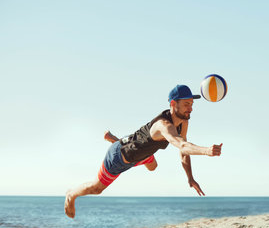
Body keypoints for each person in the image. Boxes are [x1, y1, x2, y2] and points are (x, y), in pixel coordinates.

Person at [65, 85, 223, 218]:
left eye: (192, 104)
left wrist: (190, 178)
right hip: (119, 158)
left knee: (153, 166)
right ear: (174, 104)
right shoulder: (163, 125)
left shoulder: (183, 121)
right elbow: (182, 146)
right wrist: (207, 151)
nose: (191, 108)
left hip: (142, 154)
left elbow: (184, 150)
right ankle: (71, 194)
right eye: (187, 104)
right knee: (97, 188)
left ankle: (117, 140)